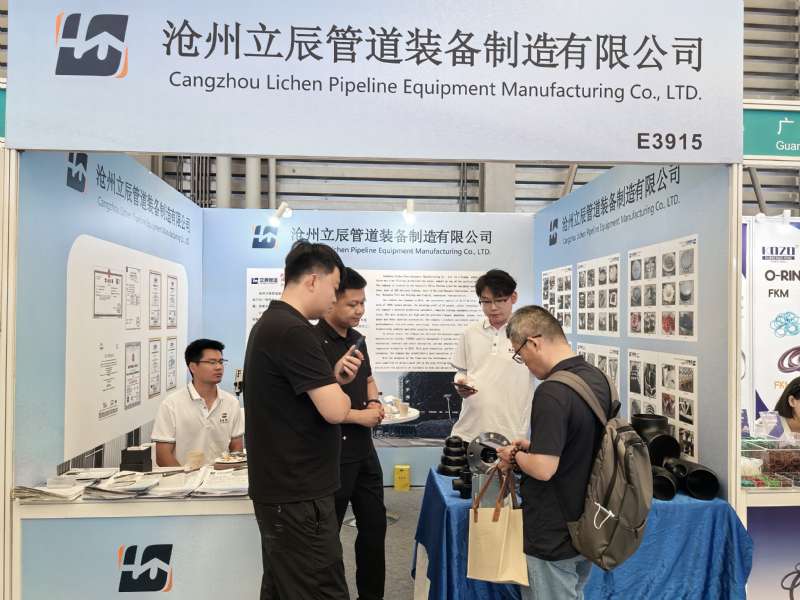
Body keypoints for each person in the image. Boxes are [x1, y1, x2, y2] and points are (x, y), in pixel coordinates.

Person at [243, 240, 362, 600]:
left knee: (285, 588)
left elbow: (299, 399)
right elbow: (336, 410)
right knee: (320, 589)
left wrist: (332, 379)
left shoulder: (272, 324)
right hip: (298, 494)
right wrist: (340, 393)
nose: (335, 298)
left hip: (285, 490)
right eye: (334, 287)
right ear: (312, 280)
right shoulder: (294, 331)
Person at [497, 306, 612, 600]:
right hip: (588, 522)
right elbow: (581, 443)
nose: (524, 364)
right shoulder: (598, 379)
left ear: (533, 342)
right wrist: (533, 448)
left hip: (553, 528)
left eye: (520, 355)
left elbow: (543, 469)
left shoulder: (551, 391)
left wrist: (514, 456)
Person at [316, 267, 386, 600]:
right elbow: (321, 406)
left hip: (364, 452)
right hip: (333, 456)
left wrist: (374, 402)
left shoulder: (358, 340)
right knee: (328, 538)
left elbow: (368, 379)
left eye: (362, 303)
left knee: (374, 528)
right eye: (352, 304)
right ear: (331, 301)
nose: (360, 310)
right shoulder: (312, 343)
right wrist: (363, 417)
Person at [450, 269, 536, 442]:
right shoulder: (470, 332)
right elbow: (462, 371)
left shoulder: (529, 333)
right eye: (486, 301)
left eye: (500, 300)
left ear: (513, 297)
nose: (493, 307)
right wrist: (460, 382)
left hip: (511, 433)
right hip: (467, 431)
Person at [151, 339, 243, 467]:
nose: (219, 367)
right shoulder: (171, 404)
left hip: (221, 476)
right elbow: (163, 456)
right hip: (184, 477)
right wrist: (185, 477)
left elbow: (237, 448)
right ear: (193, 367)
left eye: (221, 362)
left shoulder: (231, 403)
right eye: (212, 362)